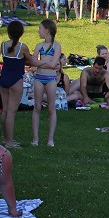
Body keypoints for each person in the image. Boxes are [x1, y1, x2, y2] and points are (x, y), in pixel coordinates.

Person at [0, 21, 30, 149]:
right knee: (11, 112)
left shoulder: (3, 44)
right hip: (16, 80)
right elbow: (31, 60)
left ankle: (5, 139)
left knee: (5, 110)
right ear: (21, 33)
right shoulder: (22, 47)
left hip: (4, 78)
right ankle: (10, 142)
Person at [31, 19, 61, 147]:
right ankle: (35, 138)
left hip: (50, 79)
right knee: (37, 107)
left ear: (47, 31)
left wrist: (41, 62)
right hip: (39, 77)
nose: (38, 31)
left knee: (51, 108)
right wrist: (46, 62)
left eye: (40, 28)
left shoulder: (57, 45)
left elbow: (54, 64)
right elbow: (33, 62)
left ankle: (50, 139)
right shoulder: (39, 45)